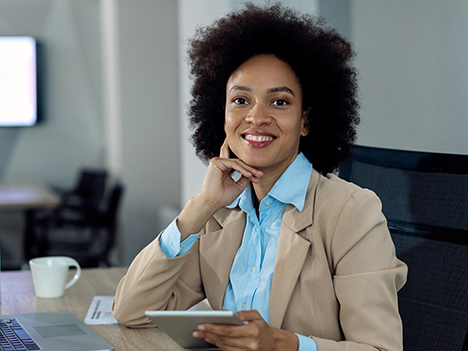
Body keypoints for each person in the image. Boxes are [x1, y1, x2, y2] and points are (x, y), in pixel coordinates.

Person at [112, 3, 407, 351]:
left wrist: (284, 344)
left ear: (307, 121)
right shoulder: (218, 212)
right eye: (240, 100)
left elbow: (381, 349)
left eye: (279, 102)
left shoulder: (352, 212)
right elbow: (132, 311)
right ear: (221, 117)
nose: (256, 117)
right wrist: (201, 205)